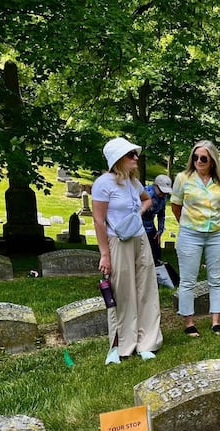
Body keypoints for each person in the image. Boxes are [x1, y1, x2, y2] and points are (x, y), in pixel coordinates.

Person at [92, 137, 163, 364]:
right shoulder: (103, 183)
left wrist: (138, 214)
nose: (136, 158)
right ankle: (122, 344)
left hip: (139, 238)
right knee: (123, 293)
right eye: (130, 155)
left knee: (146, 289)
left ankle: (146, 342)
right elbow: (98, 220)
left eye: (135, 154)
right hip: (118, 242)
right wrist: (105, 253)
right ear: (118, 159)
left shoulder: (134, 182)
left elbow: (147, 200)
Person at [171, 140, 220, 337]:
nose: (198, 161)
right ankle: (189, 322)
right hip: (190, 234)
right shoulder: (182, 178)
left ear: (212, 160)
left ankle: (216, 322)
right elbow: (176, 206)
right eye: (195, 157)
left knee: (217, 278)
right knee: (188, 280)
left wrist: (212, 223)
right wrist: (188, 224)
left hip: (216, 234)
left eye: (203, 158)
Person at [142, 174, 173, 265]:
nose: (163, 194)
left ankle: (157, 268)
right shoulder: (146, 194)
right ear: (155, 186)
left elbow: (161, 214)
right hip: (139, 225)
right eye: (161, 190)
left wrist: (160, 231)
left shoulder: (163, 197)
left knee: (156, 248)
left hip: (150, 225)